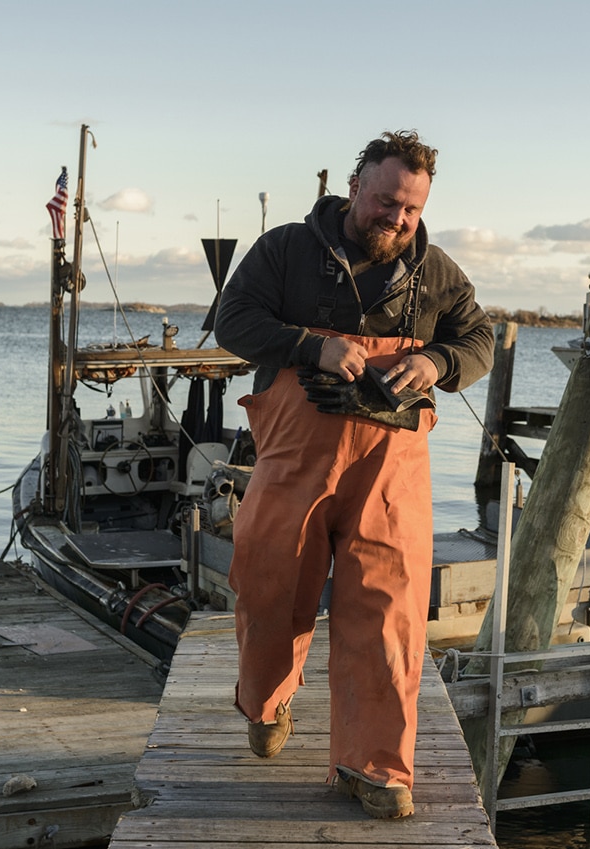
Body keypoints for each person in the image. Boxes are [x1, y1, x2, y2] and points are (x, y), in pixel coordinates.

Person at [214, 130, 494, 820]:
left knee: (388, 612)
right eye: (386, 202)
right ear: (355, 189)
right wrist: (312, 345)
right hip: (293, 456)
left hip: (390, 469)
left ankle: (375, 767)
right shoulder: (285, 250)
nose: (396, 219)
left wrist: (433, 364)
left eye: (410, 210)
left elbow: (478, 340)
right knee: (267, 582)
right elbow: (233, 321)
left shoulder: (439, 275)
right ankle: (268, 701)